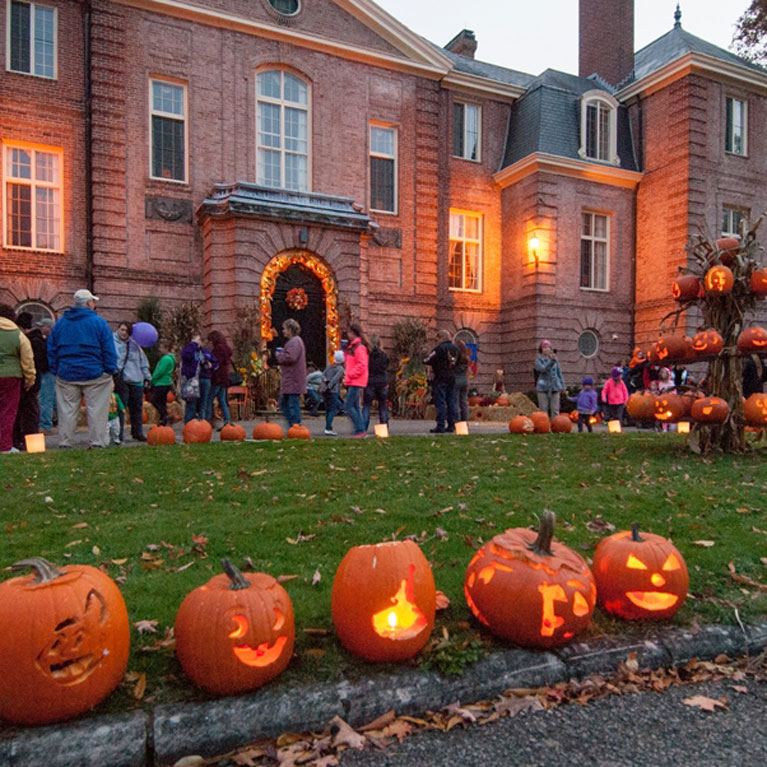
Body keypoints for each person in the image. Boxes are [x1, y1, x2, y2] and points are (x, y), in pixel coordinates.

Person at [47, 289, 117, 449]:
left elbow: (51, 348)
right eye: (93, 302)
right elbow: (108, 348)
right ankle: (97, 442)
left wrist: (55, 369)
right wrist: (109, 370)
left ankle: (65, 442)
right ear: (89, 303)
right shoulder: (99, 322)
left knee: (66, 411)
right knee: (97, 410)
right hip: (95, 373)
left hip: (66, 372)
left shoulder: (61, 323)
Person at [0, 305, 35, 454]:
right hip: (11, 376)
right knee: (8, 412)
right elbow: (27, 358)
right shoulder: (17, 334)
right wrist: (30, 378)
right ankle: (5, 446)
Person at [12, 311, 45, 450]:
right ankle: (32, 441)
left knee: (20, 411)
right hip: (34, 379)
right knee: (32, 411)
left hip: (25, 379)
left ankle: (19, 439)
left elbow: (27, 360)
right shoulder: (39, 340)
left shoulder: (23, 339)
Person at [113, 321, 151, 441]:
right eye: (122, 330)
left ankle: (137, 432)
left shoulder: (135, 345)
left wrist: (148, 377)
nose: (124, 333)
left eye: (126, 331)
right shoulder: (111, 342)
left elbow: (143, 362)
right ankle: (119, 434)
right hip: (122, 379)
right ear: (118, 329)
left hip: (136, 379)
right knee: (121, 407)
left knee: (137, 408)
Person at [423, 329, 459, 433]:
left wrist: (423, 358)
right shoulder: (456, 349)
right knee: (452, 402)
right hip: (452, 378)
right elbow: (460, 362)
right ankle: (452, 425)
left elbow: (428, 360)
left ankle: (441, 425)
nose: (436, 342)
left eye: (436, 339)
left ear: (441, 338)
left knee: (441, 402)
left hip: (440, 378)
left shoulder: (439, 348)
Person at [275, 318, 307, 428]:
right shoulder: (295, 341)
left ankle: (295, 426)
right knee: (285, 403)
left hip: (293, 379)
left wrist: (279, 356)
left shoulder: (295, 341)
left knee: (292, 404)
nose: (283, 331)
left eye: (284, 329)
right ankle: (293, 425)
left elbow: (291, 357)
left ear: (290, 329)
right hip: (291, 379)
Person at [343, 323, 370, 437]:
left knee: (348, 406)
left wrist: (350, 374)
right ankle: (361, 429)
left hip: (356, 381)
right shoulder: (354, 348)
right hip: (356, 380)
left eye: (349, 333)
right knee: (356, 407)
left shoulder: (359, 348)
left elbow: (362, 365)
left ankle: (360, 429)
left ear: (353, 333)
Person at [363, 335, 389, 431]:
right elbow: (386, 367)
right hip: (382, 381)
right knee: (383, 406)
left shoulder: (367, 355)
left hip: (370, 381)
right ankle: (384, 428)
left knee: (366, 406)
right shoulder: (384, 355)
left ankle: (363, 428)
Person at [35, 318, 56, 432]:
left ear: (49, 327)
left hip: (47, 371)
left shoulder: (49, 341)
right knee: (54, 399)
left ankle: (45, 426)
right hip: (53, 371)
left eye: (42, 326)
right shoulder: (53, 339)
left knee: (45, 399)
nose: (40, 328)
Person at [534, 340, 565, 418]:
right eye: (545, 347)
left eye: (548, 347)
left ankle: (555, 427)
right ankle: (545, 428)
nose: (547, 349)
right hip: (543, 387)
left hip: (555, 386)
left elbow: (559, 373)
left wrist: (562, 386)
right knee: (543, 410)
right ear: (541, 349)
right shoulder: (538, 360)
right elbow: (543, 369)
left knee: (555, 410)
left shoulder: (555, 359)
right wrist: (551, 361)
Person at [207, 330, 232, 427]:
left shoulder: (217, 349)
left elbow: (216, 364)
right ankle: (227, 420)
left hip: (218, 378)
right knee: (222, 400)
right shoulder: (227, 349)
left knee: (209, 399)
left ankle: (207, 420)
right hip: (225, 378)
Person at [180, 332, 204, 424]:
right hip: (190, 379)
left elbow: (201, 360)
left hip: (194, 379)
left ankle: (191, 423)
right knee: (191, 403)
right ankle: (189, 424)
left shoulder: (197, 351)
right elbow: (188, 356)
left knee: (193, 404)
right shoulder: (189, 349)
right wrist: (195, 345)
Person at [150, 340, 176, 426]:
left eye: (161, 348)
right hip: (166, 382)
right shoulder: (170, 359)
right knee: (162, 401)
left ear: (166, 348)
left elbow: (160, 371)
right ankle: (163, 420)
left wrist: (153, 378)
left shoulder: (166, 359)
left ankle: (165, 414)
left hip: (161, 382)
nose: (159, 349)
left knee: (155, 401)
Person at [321, 350, 345, 436]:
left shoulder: (330, 366)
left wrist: (325, 381)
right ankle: (328, 428)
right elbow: (335, 379)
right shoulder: (340, 369)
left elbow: (323, 374)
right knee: (332, 409)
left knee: (328, 409)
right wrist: (330, 386)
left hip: (324, 390)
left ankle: (328, 427)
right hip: (332, 390)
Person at [454, 339, 470, 423]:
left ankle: (457, 419)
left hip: (457, 380)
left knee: (455, 401)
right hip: (465, 380)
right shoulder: (466, 358)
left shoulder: (456, 358)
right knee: (463, 401)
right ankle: (465, 419)